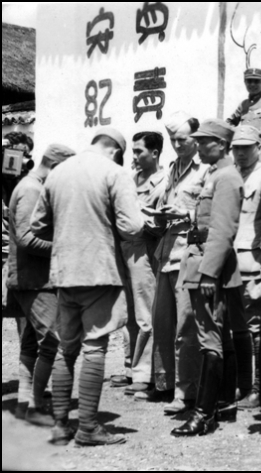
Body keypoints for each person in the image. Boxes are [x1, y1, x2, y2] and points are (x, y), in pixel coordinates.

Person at [31, 127, 144, 447]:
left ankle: (59, 426)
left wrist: (69, 230)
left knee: (66, 348)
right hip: (99, 271)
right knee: (95, 347)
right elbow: (132, 226)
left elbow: (37, 225)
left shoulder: (58, 172)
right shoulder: (115, 172)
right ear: (116, 150)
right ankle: (88, 427)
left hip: (65, 271)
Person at [170, 118, 244, 437]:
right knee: (218, 334)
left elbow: (223, 231)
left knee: (209, 337)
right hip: (203, 260)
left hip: (208, 266)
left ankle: (203, 414)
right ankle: (223, 403)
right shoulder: (218, 174)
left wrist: (209, 275)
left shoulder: (226, 177)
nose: (198, 147)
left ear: (222, 145)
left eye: (204, 142)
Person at [7, 144, 75, 427]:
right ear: (55, 166)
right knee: (53, 341)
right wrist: (64, 246)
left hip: (31, 280)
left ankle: (26, 403)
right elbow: (25, 238)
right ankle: (34, 408)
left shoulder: (30, 186)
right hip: (36, 281)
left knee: (32, 343)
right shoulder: (32, 189)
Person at [149, 112, 207, 414]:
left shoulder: (205, 171)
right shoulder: (173, 168)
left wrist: (185, 214)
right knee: (163, 324)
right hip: (167, 251)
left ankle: (187, 391)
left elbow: (208, 212)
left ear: (196, 139)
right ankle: (165, 384)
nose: (177, 144)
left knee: (187, 327)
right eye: (173, 140)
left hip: (189, 252)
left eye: (182, 139)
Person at [111, 132, 167, 397]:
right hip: (124, 248)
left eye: (139, 151)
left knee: (146, 314)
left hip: (145, 249)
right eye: (132, 151)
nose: (133, 157)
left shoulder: (163, 181)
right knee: (128, 313)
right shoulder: (130, 180)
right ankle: (130, 368)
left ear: (154, 153)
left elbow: (159, 221)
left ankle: (145, 374)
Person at [229, 126, 261, 410]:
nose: (241, 153)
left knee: (256, 327)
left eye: (247, 147)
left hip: (253, 259)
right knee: (238, 328)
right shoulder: (231, 176)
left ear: (259, 147)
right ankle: (243, 385)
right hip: (230, 258)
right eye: (236, 148)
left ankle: (260, 390)